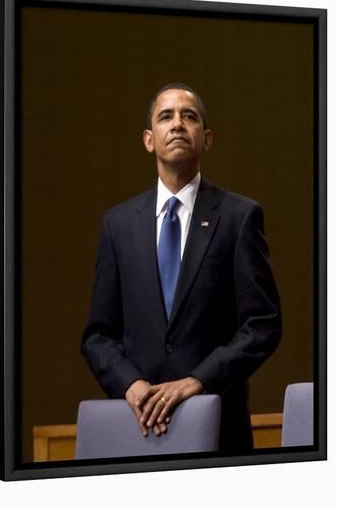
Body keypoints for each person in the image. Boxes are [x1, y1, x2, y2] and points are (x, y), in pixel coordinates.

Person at [80, 82, 282, 453]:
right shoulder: (117, 225)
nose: (177, 124)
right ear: (148, 139)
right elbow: (98, 335)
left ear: (206, 139)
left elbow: (263, 324)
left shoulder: (240, 217)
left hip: (220, 425)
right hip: (137, 426)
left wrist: (196, 380)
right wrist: (132, 385)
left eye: (188, 116)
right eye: (165, 117)